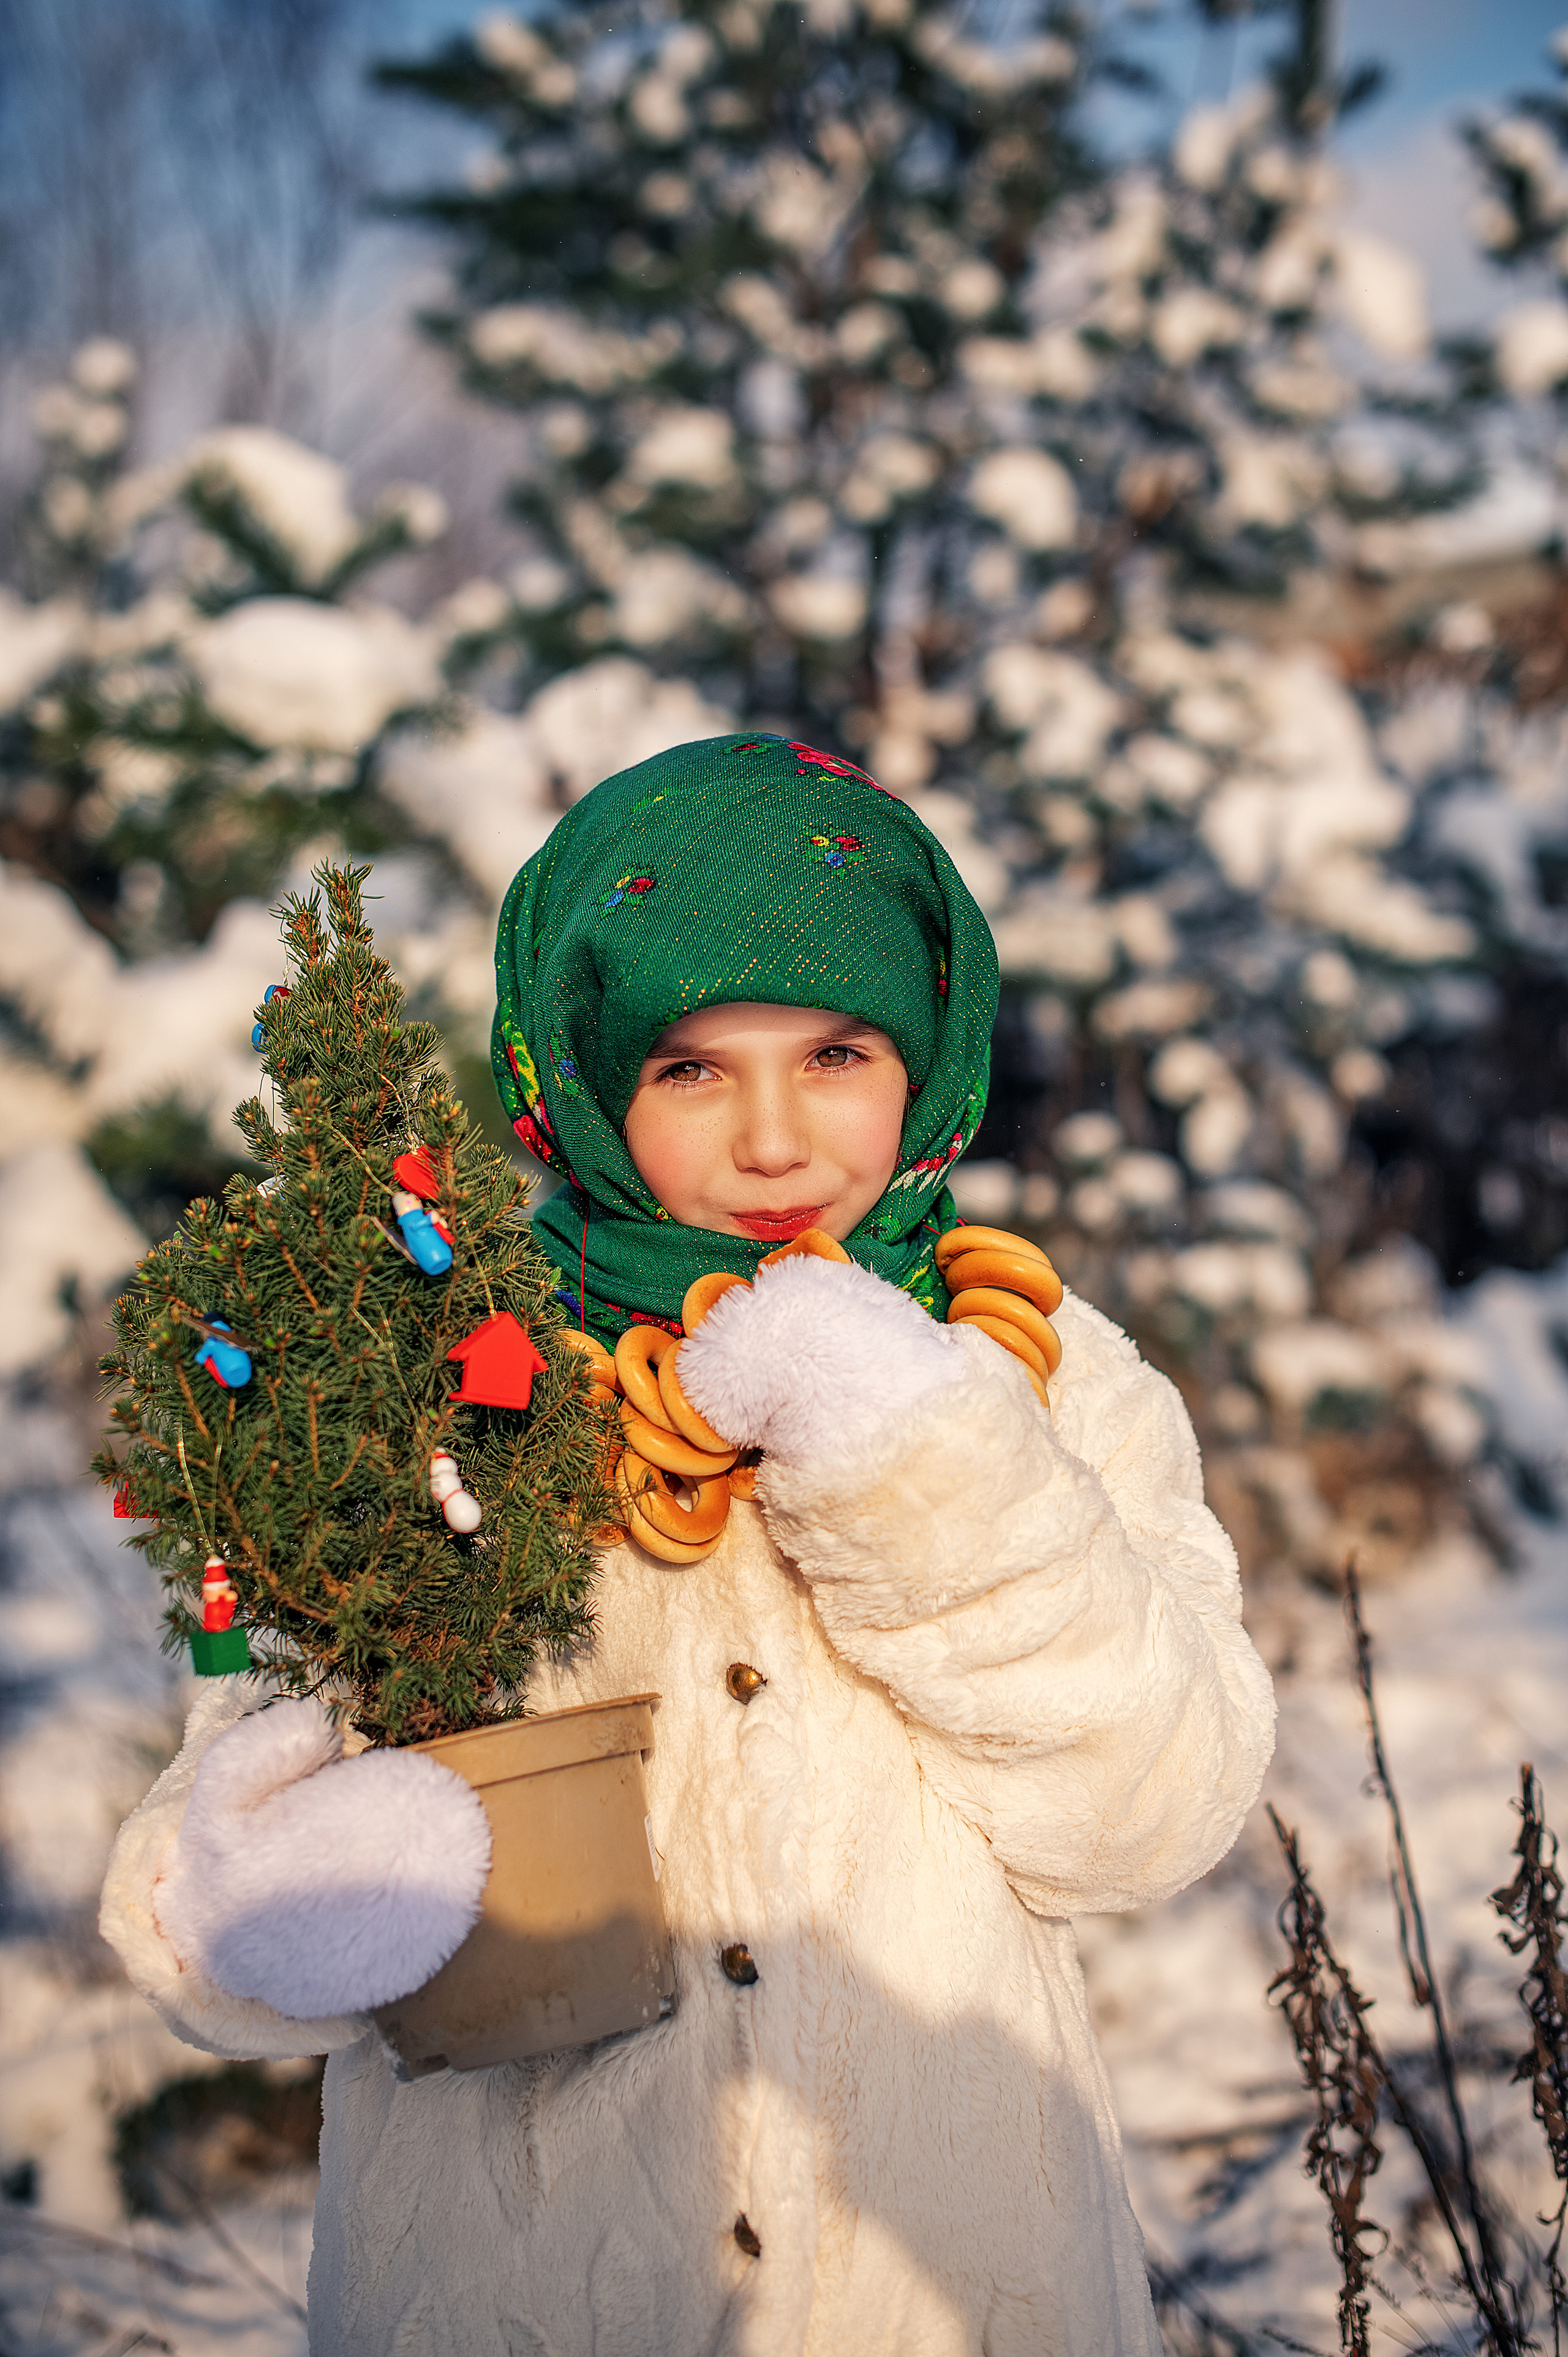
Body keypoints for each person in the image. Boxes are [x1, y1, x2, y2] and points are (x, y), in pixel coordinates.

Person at [100, 732, 1275, 2356]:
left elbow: (1149, 1816)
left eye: (841, 1054)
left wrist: (914, 1464)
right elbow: (228, 1874)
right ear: (583, 1078)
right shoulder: (448, 1386)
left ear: (929, 1056)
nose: (777, 1140)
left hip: (937, 2284)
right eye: (692, 1069)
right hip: (520, 2293)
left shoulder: (1044, 1378)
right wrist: (278, 1892)